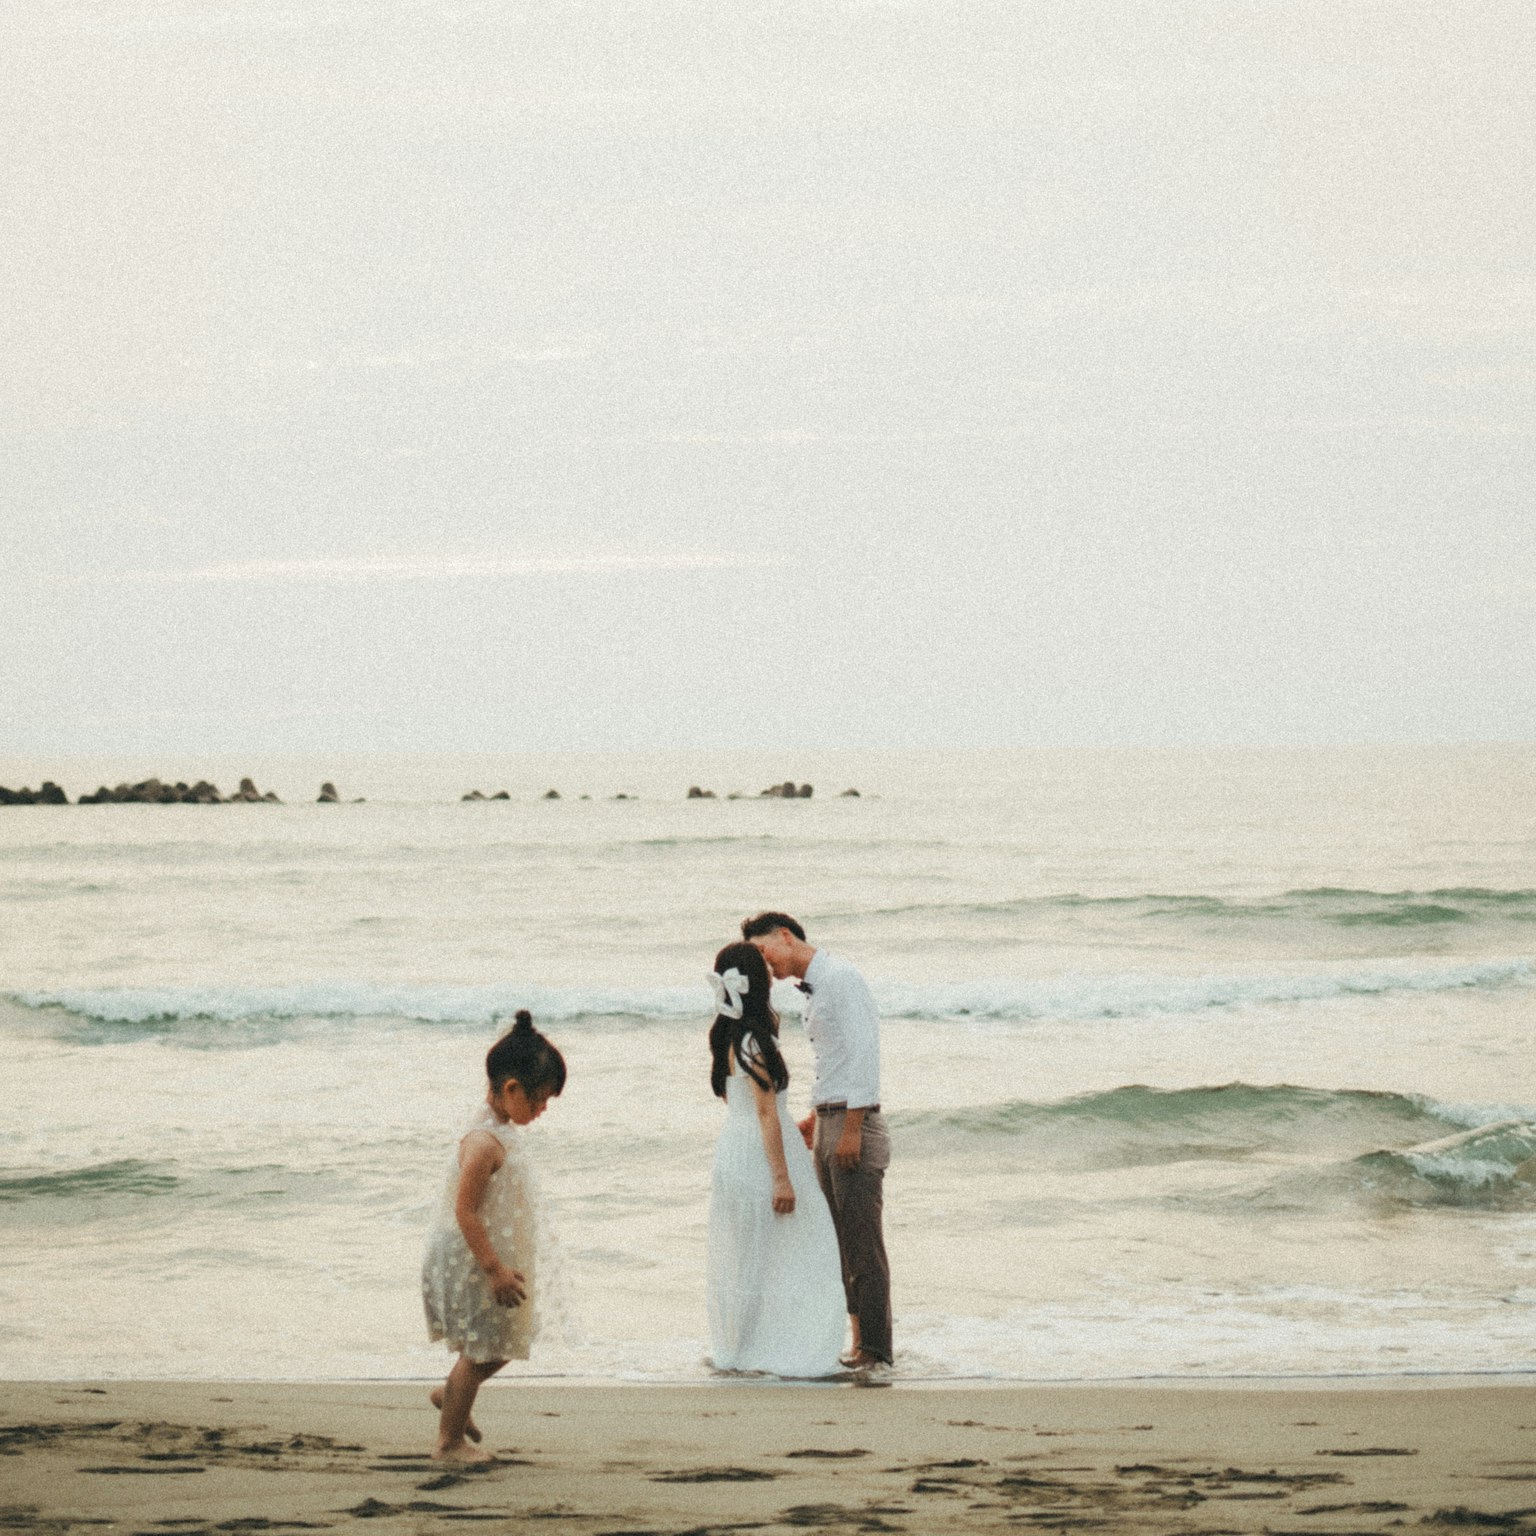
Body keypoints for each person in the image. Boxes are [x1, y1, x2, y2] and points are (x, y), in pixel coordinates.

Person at [743, 911, 892, 1368]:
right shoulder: (813, 990)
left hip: (855, 1123)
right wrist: (815, 1118)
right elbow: (836, 1060)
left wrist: (849, 1128)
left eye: (764, 951)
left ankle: (876, 1351)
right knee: (838, 1241)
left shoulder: (842, 978)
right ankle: (858, 1342)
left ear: (785, 936)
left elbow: (865, 1053)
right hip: (831, 1118)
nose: (765, 964)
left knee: (862, 1241)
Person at [422, 1010, 566, 1461]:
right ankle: (449, 1443)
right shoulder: (484, 1142)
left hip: (486, 1252)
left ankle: (452, 1396)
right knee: (484, 1346)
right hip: (472, 1256)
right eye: (540, 1101)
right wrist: (494, 1270)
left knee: (504, 1338)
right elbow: (465, 1211)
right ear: (510, 1089)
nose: (543, 1111)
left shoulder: (500, 1125)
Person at [706, 940, 846, 1377]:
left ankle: (747, 1347)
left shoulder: (730, 1034)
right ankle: (779, 1349)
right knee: (806, 1247)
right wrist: (782, 1177)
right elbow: (767, 1111)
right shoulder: (754, 1041)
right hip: (761, 1153)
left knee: (752, 1255)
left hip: (735, 1146)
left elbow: (751, 1107)